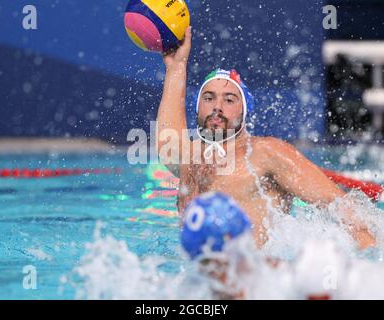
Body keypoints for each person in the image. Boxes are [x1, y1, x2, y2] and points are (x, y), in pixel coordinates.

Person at [156, 26, 376, 249]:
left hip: (254, 275)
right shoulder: (189, 156)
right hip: (201, 273)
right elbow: (167, 141)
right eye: (209, 98)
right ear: (197, 106)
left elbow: (342, 207)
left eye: (230, 100)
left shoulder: (266, 154)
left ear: (244, 111)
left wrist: (369, 262)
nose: (217, 107)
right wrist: (176, 66)